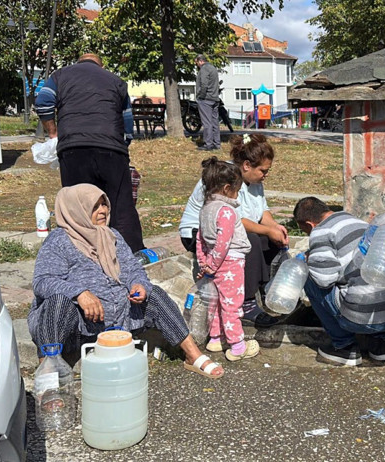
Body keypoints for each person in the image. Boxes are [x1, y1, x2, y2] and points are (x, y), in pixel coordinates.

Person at [28, 184, 224, 379]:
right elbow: (42, 281)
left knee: (154, 294)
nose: (103, 211)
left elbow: (133, 269)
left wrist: (139, 284)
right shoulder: (59, 241)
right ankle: (48, 368)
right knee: (58, 302)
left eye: (104, 205)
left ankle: (192, 355)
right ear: (76, 211)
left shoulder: (112, 236)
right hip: (79, 324)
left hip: (118, 318)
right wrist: (79, 293)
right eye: (95, 207)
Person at [34, 53, 145, 252]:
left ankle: (81, 254)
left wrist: (53, 133)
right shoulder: (116, 81)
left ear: (78, 62)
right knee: (121, 206)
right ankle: (133, 256)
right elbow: (127, 122)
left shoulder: (60, 75)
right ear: (100, 66)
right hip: (111, 149)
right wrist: (122, 146)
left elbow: (43, 101)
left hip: (73, 149)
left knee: (77, 206)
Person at [179, 134, 288, 328]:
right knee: (250, 241)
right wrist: (267, 231)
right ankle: (246, 304)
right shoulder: (226, 178)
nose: (266, 174)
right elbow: (235, 221)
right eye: (263, 170)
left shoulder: (255, 182)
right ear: (247, 165)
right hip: (199, 233)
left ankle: (266, 289)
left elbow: (263, 212)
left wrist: (275, 228)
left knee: (269, 240)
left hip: (226, 229)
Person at [293, 197, 385, 366]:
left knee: (307, 275)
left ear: (309, 224)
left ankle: (344, 347)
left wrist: (308, 261)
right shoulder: (359, 222)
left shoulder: (321, 231)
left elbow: (324, 280)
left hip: (361, 318)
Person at [195, 157, 260, 361]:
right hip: (230, 263)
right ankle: (237, 346)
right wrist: (214, 264)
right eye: (237, 189)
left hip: (212, 262)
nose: (238, 193)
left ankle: (215, 338)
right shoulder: (227, 211)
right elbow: (224, 242)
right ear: (226, 188)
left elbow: (200, 238)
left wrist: (204, 263)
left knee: (215, 302)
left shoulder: (205, 210)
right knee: (232, 304)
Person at [195, 54, 221, 151]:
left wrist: (201, 96)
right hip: (215, 98)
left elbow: (204, 84)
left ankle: (208, 144)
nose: (197, 65)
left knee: (207, 122)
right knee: (215, 122)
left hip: (206, 99)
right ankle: (217, 143)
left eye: (196, 62)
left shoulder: (204, 69)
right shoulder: (213, 68)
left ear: (200, 61)